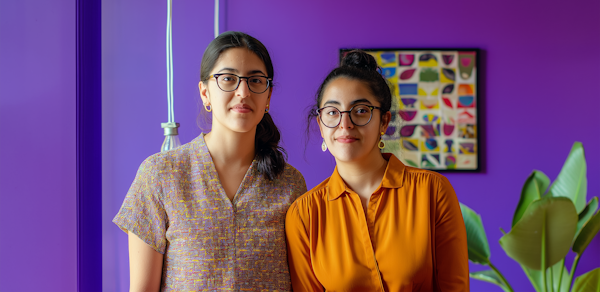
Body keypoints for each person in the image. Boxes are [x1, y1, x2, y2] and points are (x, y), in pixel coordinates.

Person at [114, 31, 307, 291]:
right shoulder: (160, 175)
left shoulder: (290, 183)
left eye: (255, 81)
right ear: (205, 93)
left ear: (268, 96)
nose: (243, 91)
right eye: (228, 79)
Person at [285, 50, 469, 291]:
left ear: (383, 122)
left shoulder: (432, 191)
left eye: (360, 110)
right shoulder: (305, 215)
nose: (345, 123)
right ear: (321, 125)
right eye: (332, 112)